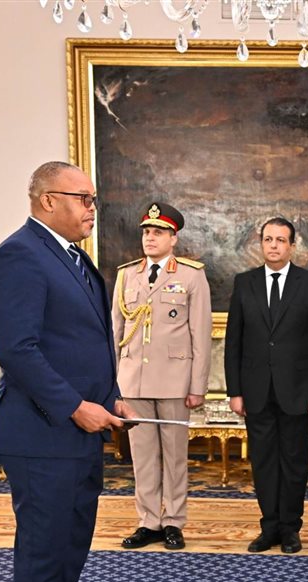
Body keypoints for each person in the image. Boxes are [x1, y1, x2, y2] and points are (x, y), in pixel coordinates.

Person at [0, 160, 132, 582]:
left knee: (69, 550)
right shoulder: (20, 255)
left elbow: (82, 341)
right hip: (41, 433)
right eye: (83, 198)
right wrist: (74, 405)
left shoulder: (71, 256)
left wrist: (109, 397)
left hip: (77, 431)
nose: (92, 209)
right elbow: (17, 349)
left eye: (93, 199)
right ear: (48, 200)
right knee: (44, 552)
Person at [224, 217, 308, 553]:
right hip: (255, 391)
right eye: (268, 239)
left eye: (281, 240)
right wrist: (235, 391)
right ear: (260, 244)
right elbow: (233, 342)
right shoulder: (244, 283)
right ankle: (268, 526)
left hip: (297, 391)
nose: (274, 245)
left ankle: (290, 528)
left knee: (295, 462)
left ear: (292, 246)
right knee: (263, 462)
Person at [113, 201, 212, 551]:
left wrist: (197, 386)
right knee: (141, 457)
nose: (150, 238)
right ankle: (149, 521)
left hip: (174, 381)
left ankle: (173, 521)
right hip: (133, 380)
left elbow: (201, 335)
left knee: (174, 457)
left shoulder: (191, 275)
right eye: (146, 232)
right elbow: (115, 332)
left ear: (174, 238)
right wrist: (113, 384)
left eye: (158, 232)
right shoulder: (127, 275)